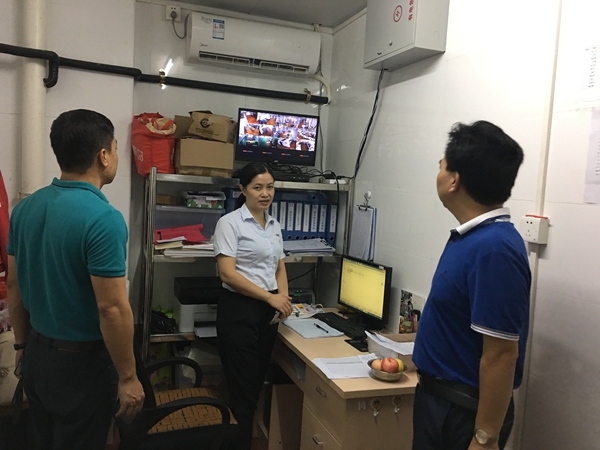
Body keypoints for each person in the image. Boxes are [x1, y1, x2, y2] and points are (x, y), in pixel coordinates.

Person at [7, 109, 144, 449]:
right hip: (82, 366)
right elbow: (112, 308)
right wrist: (128, 377)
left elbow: (14, 285)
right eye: (115, 148)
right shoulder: (103, 218)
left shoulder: (25, 209)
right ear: (103, 156)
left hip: (37, 354)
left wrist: (21, 346)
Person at [412, 121, 531, 450]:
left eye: (442, 165)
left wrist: (485, 437)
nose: (438, 171)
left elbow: (501, 355)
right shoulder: (472, 238)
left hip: (463, 414)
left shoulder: (495, 249)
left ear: (454, 181)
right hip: (439, 401)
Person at [213, 162, 293, 450]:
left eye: (270, 187)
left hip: (267, 312)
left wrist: (283, 298)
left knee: (255, 386)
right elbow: (227, 274)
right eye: (257, 187)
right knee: (243, 393)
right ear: (243, 189)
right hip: (240, 310)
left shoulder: (274, 225)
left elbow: (279, 266)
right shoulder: (230, 223)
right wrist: (270, 298)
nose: (265, 193)